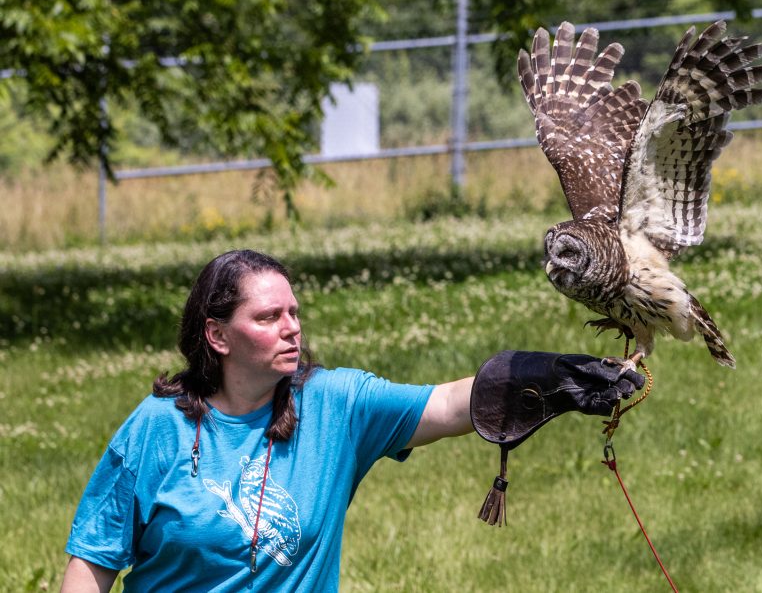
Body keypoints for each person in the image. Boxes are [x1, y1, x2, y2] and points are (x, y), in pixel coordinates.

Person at [62, 249, 641, 592]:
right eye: (268, 316)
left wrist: (554, 378)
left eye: (294, 312)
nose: (292, 327)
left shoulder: (335, 406)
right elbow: (93, 561)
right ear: (217, 336)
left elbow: (446, 404)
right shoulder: (156, 427)